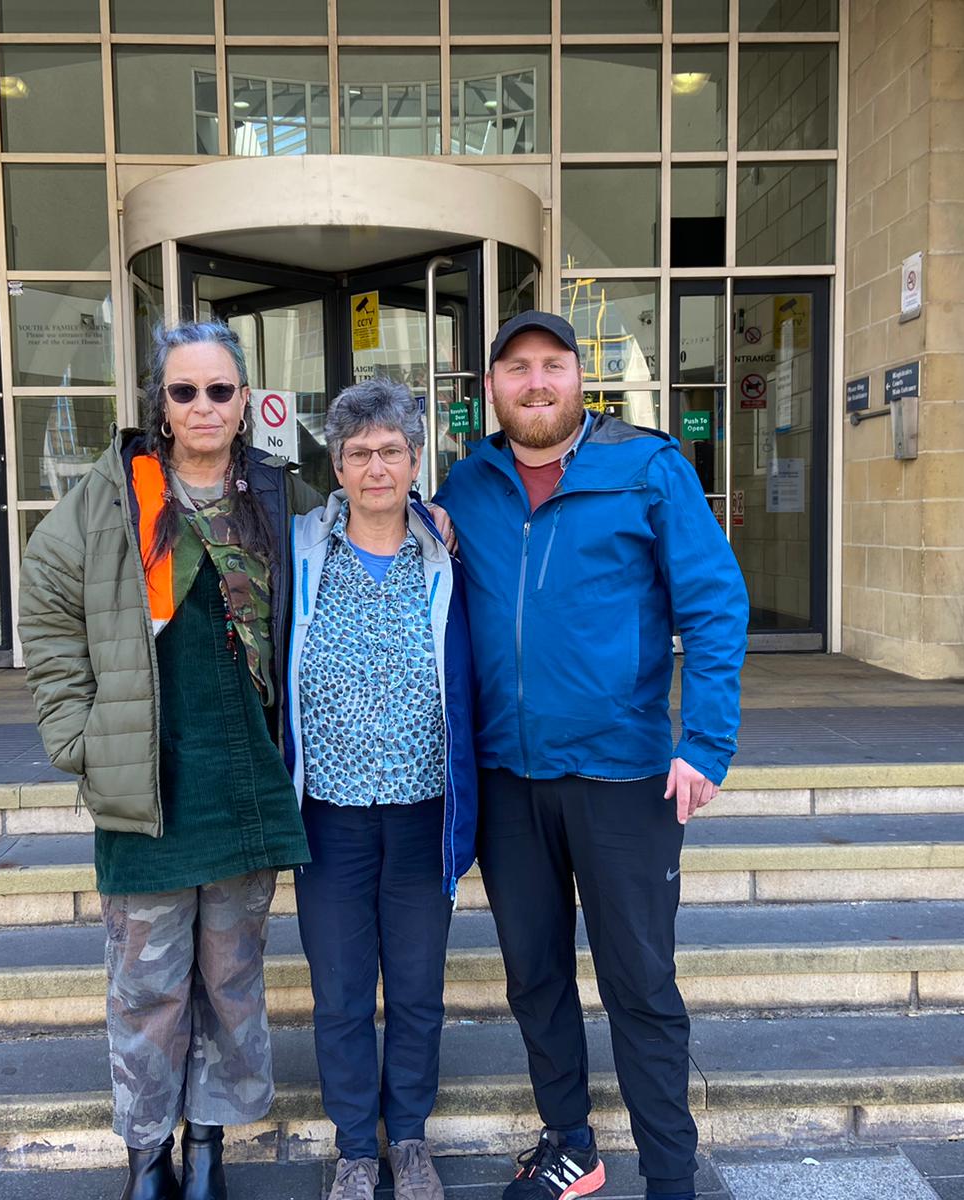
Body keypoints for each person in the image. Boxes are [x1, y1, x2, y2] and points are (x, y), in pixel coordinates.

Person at [434, 311, 748, 1200]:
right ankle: (570, 1143)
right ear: (491, 388)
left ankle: (671, 1177)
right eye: (517, 368)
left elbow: (715, 607)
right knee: (535, 976)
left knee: (641, 983)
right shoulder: (467, 487)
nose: (536, 383)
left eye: (553, 366)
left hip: (622, 777)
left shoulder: (648, 470)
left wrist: (706, 741)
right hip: (506, 777)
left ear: (581, 379)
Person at [18, 320, 321, 1200]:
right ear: (160, 400)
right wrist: (76, 736)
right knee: (147, 987)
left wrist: (429, 518)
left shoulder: (278, 491)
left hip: (241, 781)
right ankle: (147, 1155)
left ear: (243, 400)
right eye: (183, 391)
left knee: (230, 982)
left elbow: (356, 541)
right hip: (145, 784)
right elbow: (46, 607)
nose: (201, 406)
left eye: (218, 390)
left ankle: (211, 1150)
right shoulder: (111, 494)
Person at [285, 378, 477, 1200]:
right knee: (338, 991)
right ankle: (356, 1147)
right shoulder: (300, 547)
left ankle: (410, 1138)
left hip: (421, 811)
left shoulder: (444, 551)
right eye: (358, 452)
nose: (375, 467)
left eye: (391, 451)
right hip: (327, 814)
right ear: (336, 462)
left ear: (416, 459)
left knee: (417, 988)